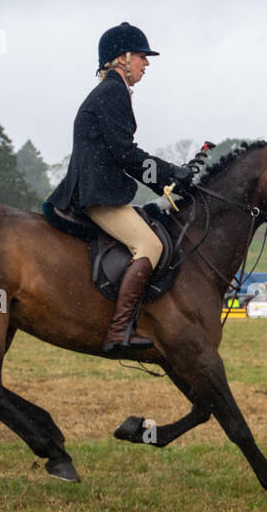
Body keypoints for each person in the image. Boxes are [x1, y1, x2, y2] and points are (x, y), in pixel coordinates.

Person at [46, 22, 193, 354]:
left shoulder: (112, 90)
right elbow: (126, 153)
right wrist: (171, 174)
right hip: (97, 193)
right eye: (142, 56)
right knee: (150, 246)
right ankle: (118, 330)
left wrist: (171, 175)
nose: (147, 63)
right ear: (123, 57)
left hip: (98, 187)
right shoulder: (113, 91)